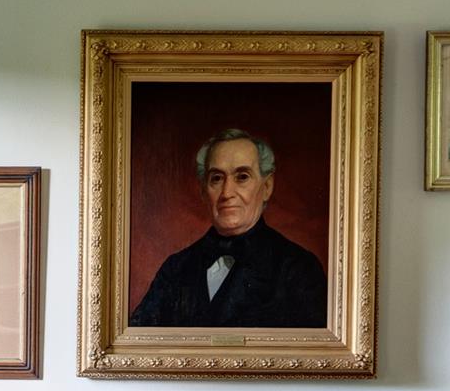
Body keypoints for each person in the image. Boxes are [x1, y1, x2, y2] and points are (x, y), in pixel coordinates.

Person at [129, 127, 328, 328]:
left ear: (266, 187)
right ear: (204, 191)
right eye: (216, 178)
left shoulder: (298, 269)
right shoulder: (175, 268)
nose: (226, 193)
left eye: (242, 177)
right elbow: (138, 345)